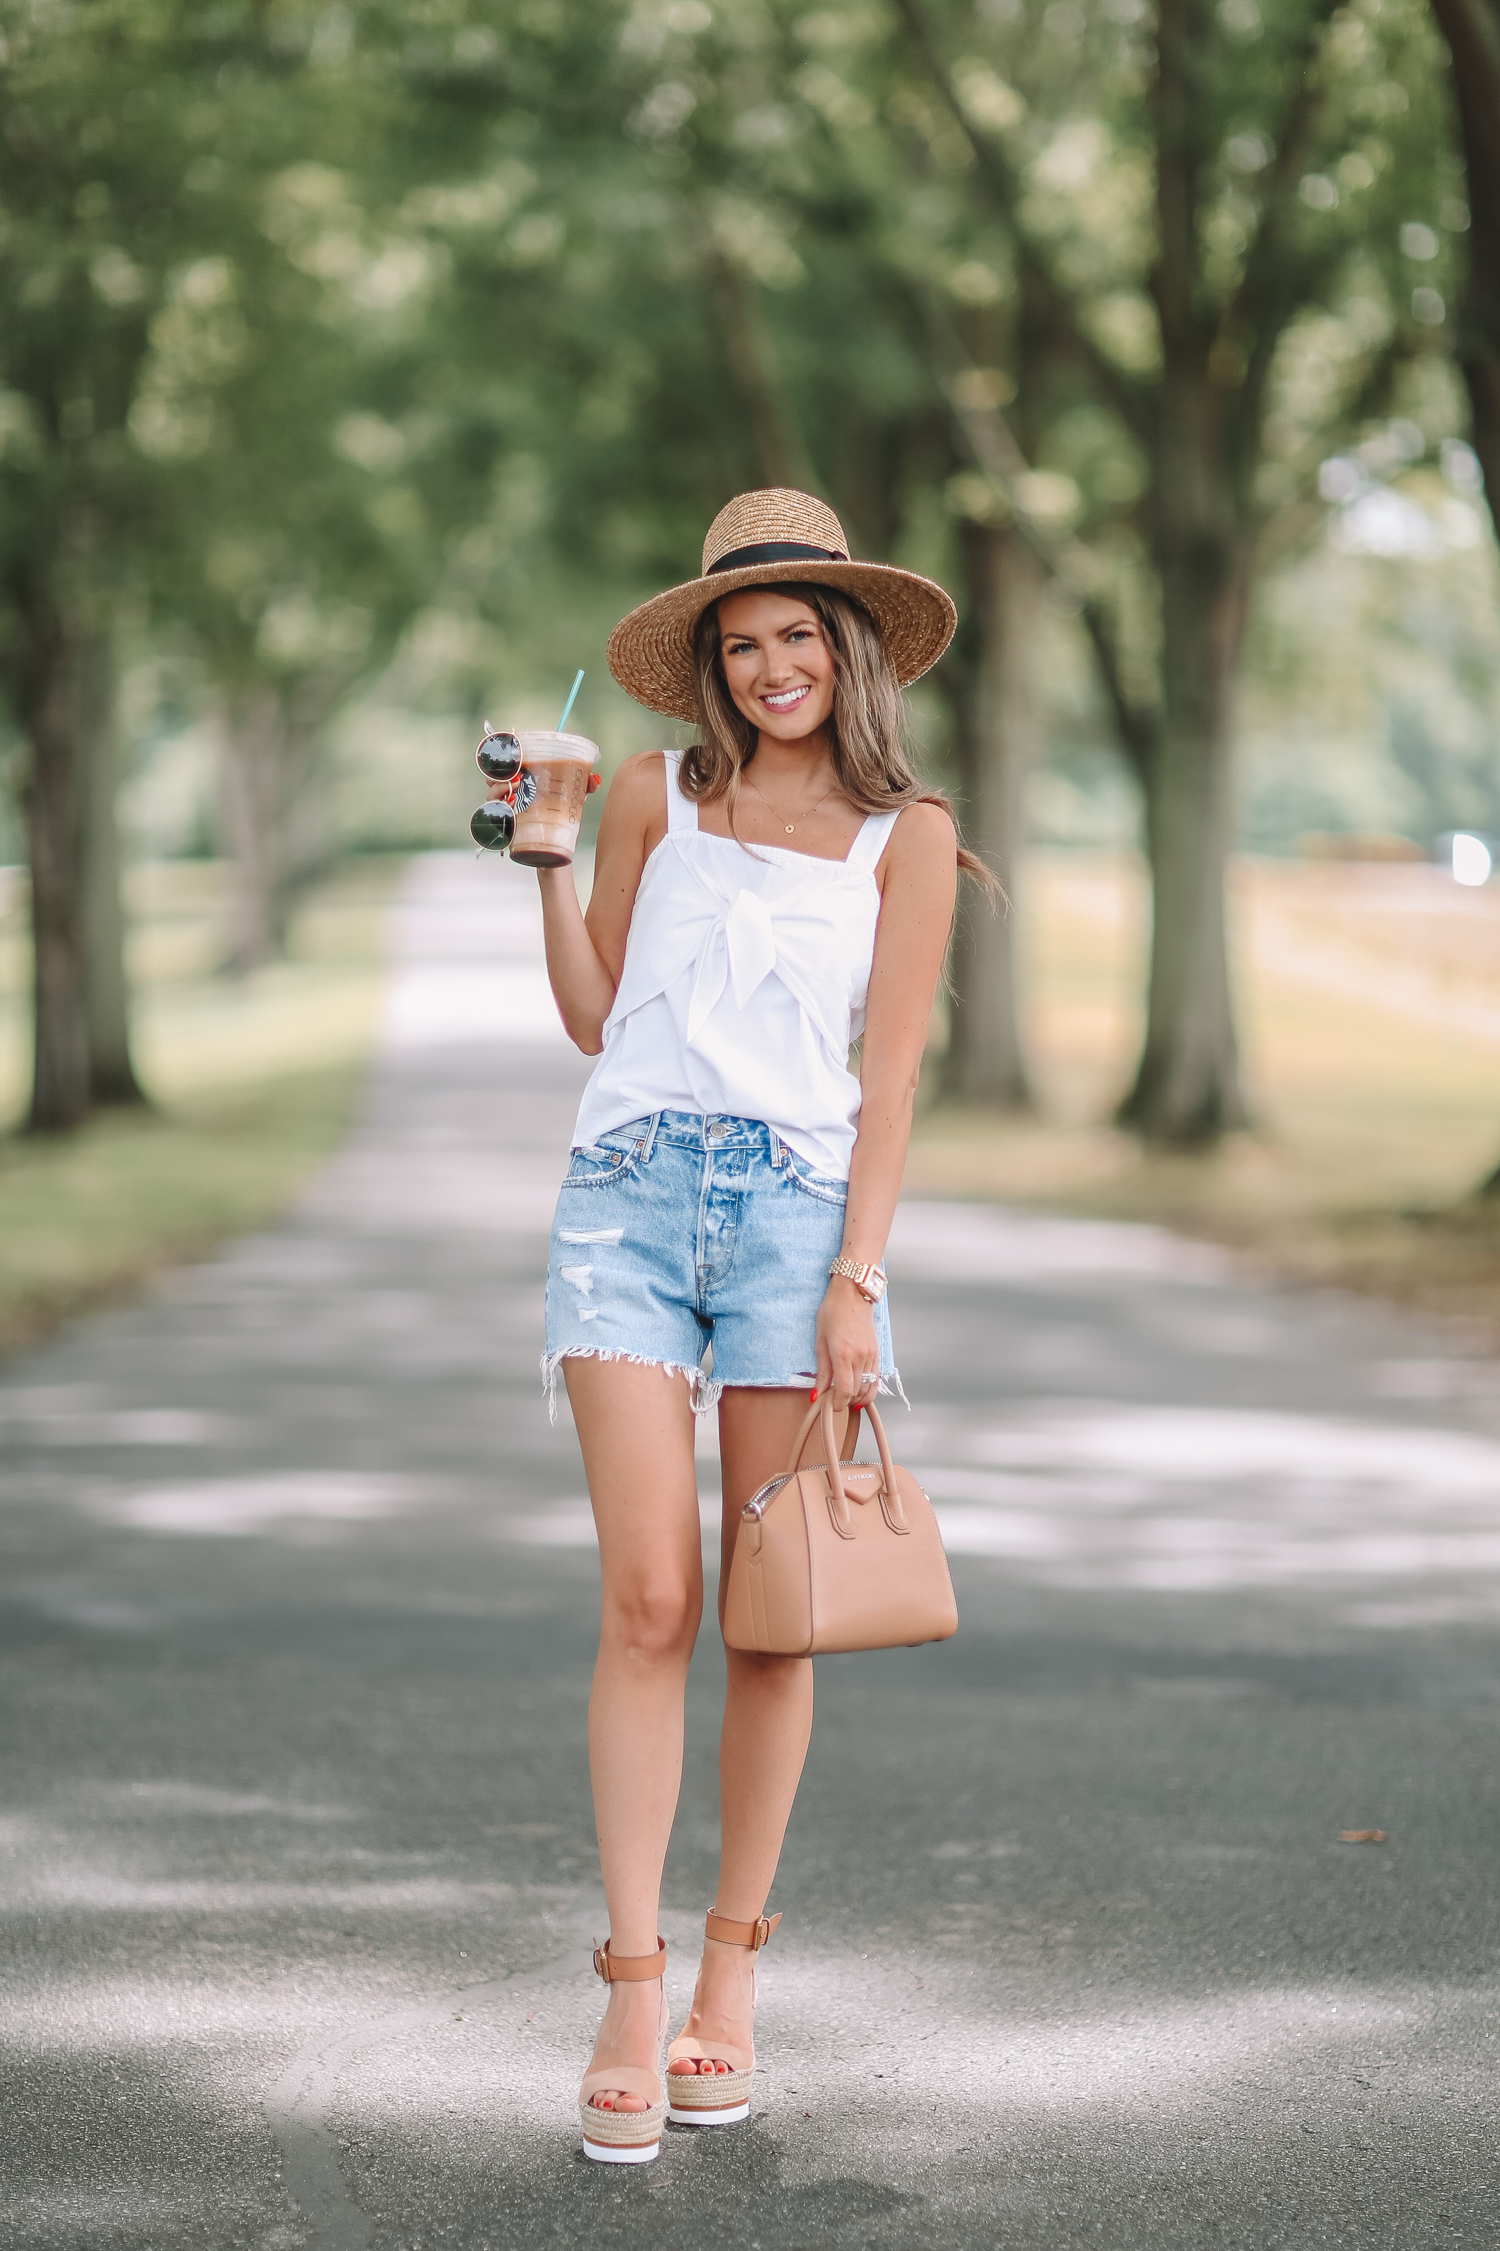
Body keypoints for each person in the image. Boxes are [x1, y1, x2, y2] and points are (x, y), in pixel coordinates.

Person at [493, 489, 989, 2163]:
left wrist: (861, 1283)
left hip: (794, 1220)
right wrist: (547, 871)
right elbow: (591, 1015)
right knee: (651, 1598)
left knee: (771, 1622)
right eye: (740, 639)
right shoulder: (653, 794)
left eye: (796, 634)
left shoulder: (902, 836)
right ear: (705, 663)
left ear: (845, 647)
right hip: (624, 1202)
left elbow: (892, 1078)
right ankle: (628, 1993)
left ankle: (730, 1989)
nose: (770, 663)